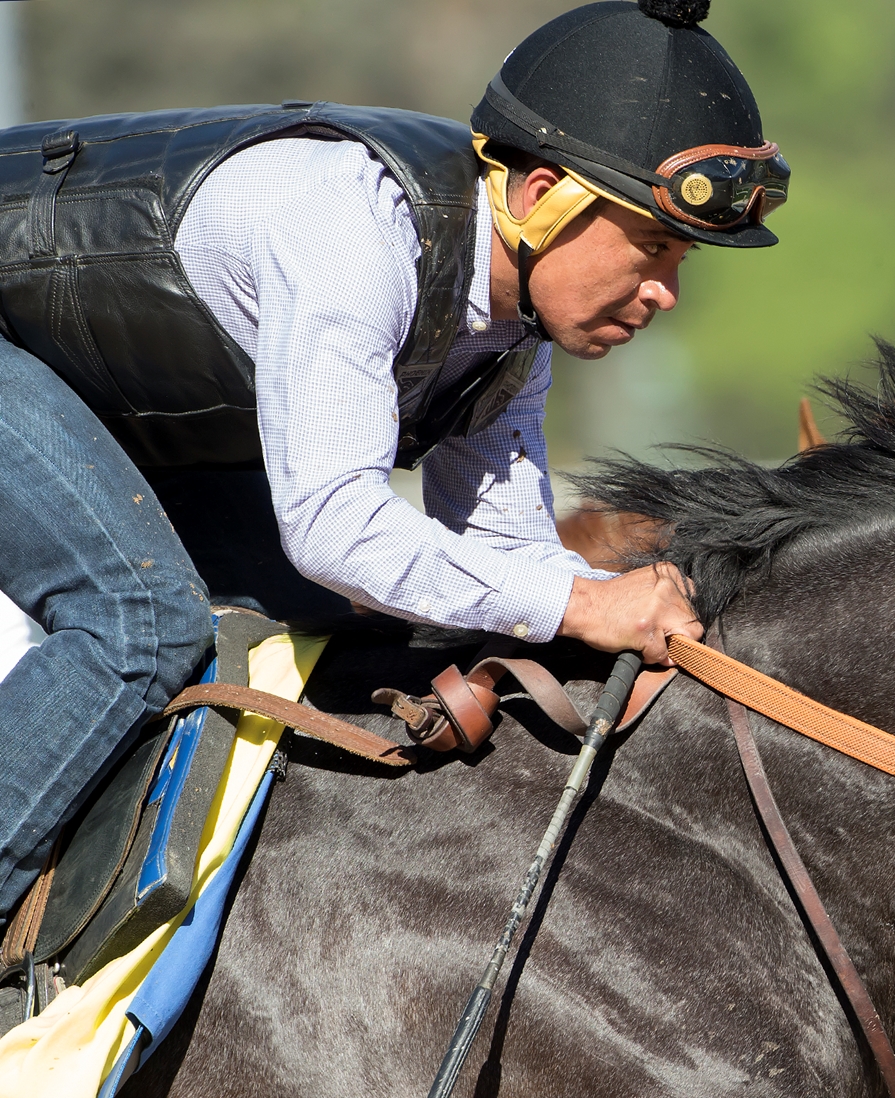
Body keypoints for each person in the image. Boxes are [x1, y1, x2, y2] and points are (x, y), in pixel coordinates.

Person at [0, 0, 787, 918]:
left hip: (107, 407)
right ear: (540, 198)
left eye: (683, 259)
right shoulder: (355, 237)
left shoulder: (512, 343)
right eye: (653, 245)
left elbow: (507, 568)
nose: (666, 292)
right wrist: (588, 600)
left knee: (365, 625)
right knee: (141, 624)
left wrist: (623, 622)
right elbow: (334, 527)